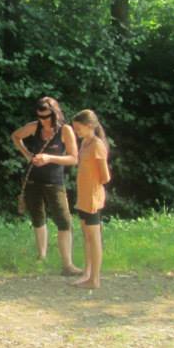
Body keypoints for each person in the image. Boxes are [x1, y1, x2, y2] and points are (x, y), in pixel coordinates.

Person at [10, 97, 83, 276]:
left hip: (54, 181)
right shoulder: (34, 127)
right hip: (33, 180)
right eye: (40, 117)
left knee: (64, 221)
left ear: (55, 113)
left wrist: (49, 158)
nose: (43, 121)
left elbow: (74, 158)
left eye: (46, 117)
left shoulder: (65, 130)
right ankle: (41, 257)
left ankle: (67, 264)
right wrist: (28, 155)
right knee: (37, 218)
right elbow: (16, 136)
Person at [71, 109, 111, 290]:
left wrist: (93, 185)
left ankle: (95, 279)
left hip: (93, 198)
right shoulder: (85, 143)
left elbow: (105, 177)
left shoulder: (97, 145)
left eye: (78, 128)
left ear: (89, 126)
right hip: (83, 197)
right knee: (86, 236)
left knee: (94, 239)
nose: (76, 132)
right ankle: (87, 274)